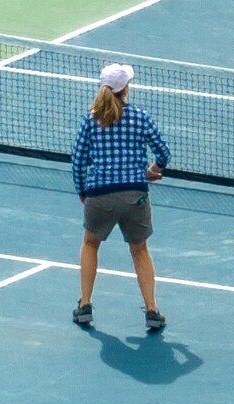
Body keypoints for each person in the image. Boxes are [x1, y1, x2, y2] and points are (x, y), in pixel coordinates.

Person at [71, 63, 171, 332]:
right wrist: (153, 170)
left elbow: (78, 160)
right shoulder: (140, 117)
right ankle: (152, 310)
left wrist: (83, 190)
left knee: (90, 244)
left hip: (99, 196)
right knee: (140, 249)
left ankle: (85, 306)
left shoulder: (90, 120)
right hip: (135, 195)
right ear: (125, 88)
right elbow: (163, 152)